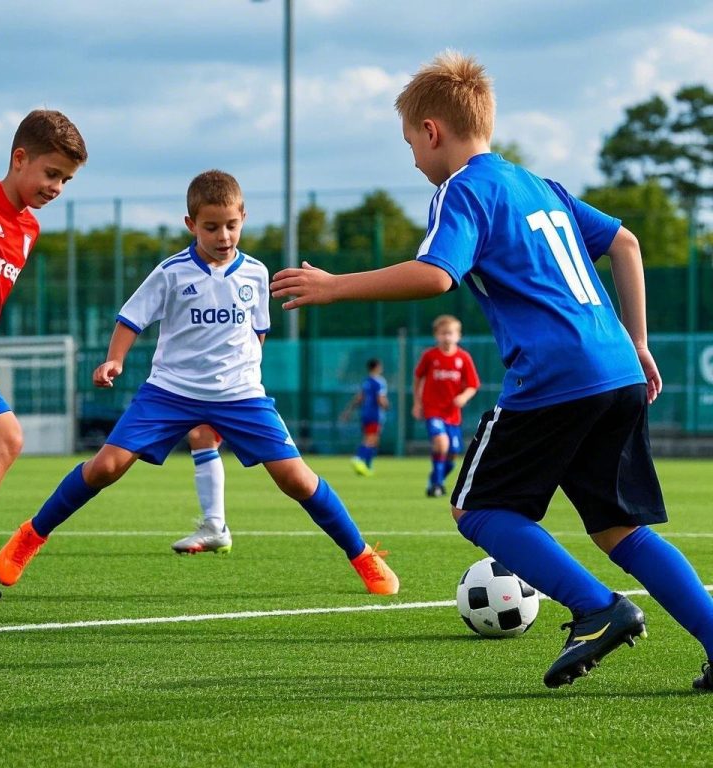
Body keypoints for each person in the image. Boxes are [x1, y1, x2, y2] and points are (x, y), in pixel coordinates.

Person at [270, 50, 713, 691]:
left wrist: (337, 285)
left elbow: (436, 274)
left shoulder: (464, 189)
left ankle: (596, 608)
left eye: (410, 145)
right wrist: (638, 342)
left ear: (432, 131)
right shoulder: (538, 185)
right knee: (621, 528)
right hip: (615, 367)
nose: (415, 161)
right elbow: (626, 242)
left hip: (557, 374)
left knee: (478, 508)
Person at [0, 170, 399, 596]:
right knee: (106, 467)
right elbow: (131, 318)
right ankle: (31, 536)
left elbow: (258, 331)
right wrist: (114, 360)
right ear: (191, 224)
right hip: (171, 392)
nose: (223, 235)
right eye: (211, 227)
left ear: (243, 216)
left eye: (231, 224)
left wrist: (240, 374)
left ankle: (363, 555)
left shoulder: (257, 274)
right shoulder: (171, 272)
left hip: (241, 396)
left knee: (297, 479)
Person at [0, 109, 87, 606]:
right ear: (19, 158)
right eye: (51, 174)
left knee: (0, 441)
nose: (57, 188)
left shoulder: (29, 230)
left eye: (66, 180)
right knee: (4, 438)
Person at [412, 314, 479, 497]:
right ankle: (437, 485)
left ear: (458, 336)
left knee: (453, 453)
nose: (447, 337)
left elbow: (473, 384)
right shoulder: (430, 356)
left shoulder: (463, 358)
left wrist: (464, 396)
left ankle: (435, 479)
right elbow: (418, 378)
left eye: (450, 333)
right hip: (433, 409)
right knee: (442, 443)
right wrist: (417, 403)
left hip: (453, 414)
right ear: (436, 335)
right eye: (443, 333)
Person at [171, 424, 232, 554]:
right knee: (201, 435)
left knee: (285, 475)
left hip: (242, 404)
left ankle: (215, 528)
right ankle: (215, 527)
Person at [340, 358, 389, 477]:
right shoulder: (379, 382)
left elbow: (359, 398)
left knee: (374, 441)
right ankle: (358, 458)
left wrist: (348, 411)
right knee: (370, 439)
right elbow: (380, 399)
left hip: (365, 414)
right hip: (375, 415)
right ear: (377, 367)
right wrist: (386, 405)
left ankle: (367, 466)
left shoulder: (366, 381)